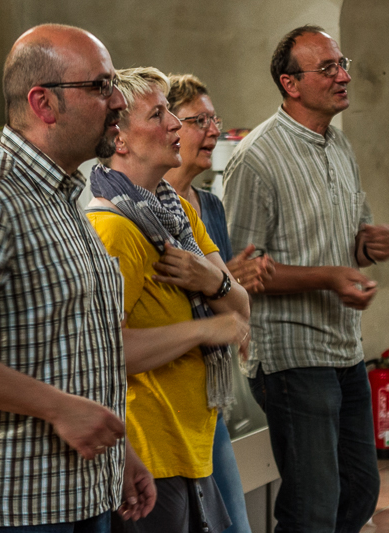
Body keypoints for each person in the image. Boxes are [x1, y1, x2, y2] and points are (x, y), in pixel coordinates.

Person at [0, 24, 156, 532]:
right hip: (12, 498)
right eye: (100, 86)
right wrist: (61, 410)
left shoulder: (60, 194)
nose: (118, 102)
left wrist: (117, 451)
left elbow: (71, 346)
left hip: (75, 487)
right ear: (44, 103)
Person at [222, 25, 389, 533]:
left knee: (360, 490)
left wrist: (368, 246)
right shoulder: (256, 158)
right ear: (290, 83)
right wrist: (329, 277)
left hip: (344, 350)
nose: (344, 76)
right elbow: (240, 272)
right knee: (311, 508)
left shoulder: (339, 147)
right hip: (291, 356)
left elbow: (352, 240)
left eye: (342, 64)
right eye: (328, 68)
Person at [85, 67, 251, 533]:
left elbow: (240, 308)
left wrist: (211, 281)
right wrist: (204, 328)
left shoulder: (175, 214)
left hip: (189, 440)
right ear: (119, 138)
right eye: (158, 115)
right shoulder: (113, 229)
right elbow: (107, 352)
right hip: (148, 446)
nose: (176, 124)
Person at [163, 73, 275, 533]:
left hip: (210, 396)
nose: (213, 131)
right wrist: (223, 281)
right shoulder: (135, 210)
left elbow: (227, 297)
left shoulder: (208, 206)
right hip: (166, 399)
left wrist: (226, 281)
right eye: (199, 121)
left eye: (215, 120)